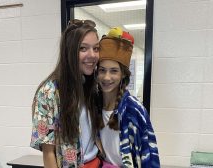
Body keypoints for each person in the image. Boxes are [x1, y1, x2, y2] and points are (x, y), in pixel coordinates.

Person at [30, 19, 102, 167]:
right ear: (69, 51)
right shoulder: (49, 93)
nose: (93, 55)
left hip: (97, 163)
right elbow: (48, 153)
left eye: (96, 48)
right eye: (83, 48)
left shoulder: (91, 86)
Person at [96, 27, 160, 168]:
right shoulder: (93, 106)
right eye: (102, 70)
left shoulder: (134, 109)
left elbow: (149, 153)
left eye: (114, 71)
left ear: (123, 74)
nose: (107, 77)